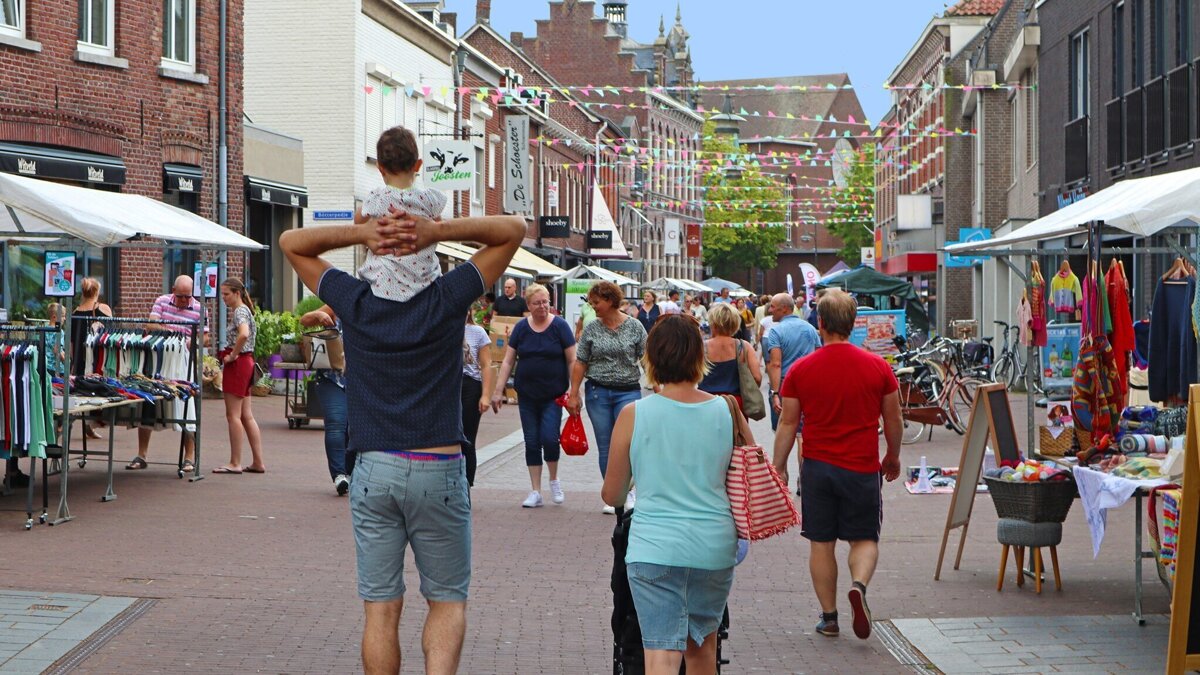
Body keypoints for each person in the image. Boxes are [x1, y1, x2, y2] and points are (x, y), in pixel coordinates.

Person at [281, 205, 525, 675]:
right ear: (428, 254)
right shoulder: (448, 296)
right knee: (447, 602)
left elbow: (291, 242)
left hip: (374, 465)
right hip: (439, 462)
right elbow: (512, 230)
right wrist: (436, 230)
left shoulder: (354, 299)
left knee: (380, 609)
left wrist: (361, 233)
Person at [601, 314, 738, 675]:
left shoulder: (634, 414)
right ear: (698, 356)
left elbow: (613, 493)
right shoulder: (726, 410)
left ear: (651, 358)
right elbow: (745, 475)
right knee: (702, 649)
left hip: (654, 547)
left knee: (660, 654)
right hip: (713, 545)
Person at [772, 289, 902, 641]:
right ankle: (858, 585)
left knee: (821, 543)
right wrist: (892, 455)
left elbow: (787, 423)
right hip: (861, 468)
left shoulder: (800, 370)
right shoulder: (878, 368)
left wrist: (779, 465)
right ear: (854, 323)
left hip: (817, 467)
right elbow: (893, 420)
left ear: (821, 323)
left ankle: (829, 617)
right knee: (864, 538)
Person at [492, 283, 575, 508]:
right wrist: (498, 391)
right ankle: (535, 490)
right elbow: (508, 360)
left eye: (546, 302)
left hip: (553, 394)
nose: (542, 306)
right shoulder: (521, 328)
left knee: (549, 437)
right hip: (527, 394)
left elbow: (572, 360)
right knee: (531, 441)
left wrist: (574, 391)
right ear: (528, 305)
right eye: (537, 303)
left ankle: (554, 479)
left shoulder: (560, 327)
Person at [568, 281, 647, 513]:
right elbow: (580, 361)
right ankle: (613, 494)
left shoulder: (635, 327)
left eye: (597, 302)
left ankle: (629, 492)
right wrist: (573, 394)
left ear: (611, 300)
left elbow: (646, 359)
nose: (593, 307)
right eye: (591, 303)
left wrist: (660, 388)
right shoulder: (592, 328)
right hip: (598, 391)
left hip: (628, 391)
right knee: (606, 445)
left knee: (628, 444)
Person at [353, 126, 447, 302]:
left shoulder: (378, 198)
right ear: (418, 165)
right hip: (425, 283)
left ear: (380, 168)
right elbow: (439, 228)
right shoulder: (429, 199)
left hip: (382, 285)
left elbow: (358, 221)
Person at [126, 275, 204, 472]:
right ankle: (141, 454)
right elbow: (150, 325)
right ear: (172, 290)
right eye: (181, 297)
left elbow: (206, 337)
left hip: (184, 361)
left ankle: (189, 457)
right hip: (158, 357)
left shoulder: (199, 309)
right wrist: (172, 334)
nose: (185, 301)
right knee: (149, 402)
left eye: (188, 297)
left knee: (187, 405)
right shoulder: (162, 301)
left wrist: (191, 342)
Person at [212, 278, 265, 474]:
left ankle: (235, 462)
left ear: (237, 293)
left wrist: (232, 355)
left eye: (226, 294)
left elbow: (243, 334)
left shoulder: (239, 312)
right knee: (246, 415)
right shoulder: (246, 310)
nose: (223, 298)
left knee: (232, 415)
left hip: (238, 363)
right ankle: (258, 461)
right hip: (248, 363)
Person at [299, 304, 353, 495]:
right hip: (332, 377)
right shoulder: (336, 304)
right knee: (336, 424)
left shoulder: (373, 306)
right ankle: (339, 475)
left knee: (354, 428)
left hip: (361, 380)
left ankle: (351, 472)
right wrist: (319, 314)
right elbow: (304, 321)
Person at [764, 293, 821, 431]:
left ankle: (780, 454)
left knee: (784, 427)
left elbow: (776, 364)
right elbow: (819, 356)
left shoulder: (775, 331)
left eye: (773, 307)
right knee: (803, 430)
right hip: (808, 382)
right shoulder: (810, 328)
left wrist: (775, 393)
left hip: (785, 383)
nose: (770, 310)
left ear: (784, 309)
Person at [699, 303, 762, 413]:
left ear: (713, 323)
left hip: (706, 402)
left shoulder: (701, 347)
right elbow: (757, 377)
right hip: (735, 404)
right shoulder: (744, 346)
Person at [462, 307, 494, 487]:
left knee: (467, 438)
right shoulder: (443, 327)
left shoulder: (477, 332)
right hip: (448, 385)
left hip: (470, 386)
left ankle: (467, 484)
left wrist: (486, 395)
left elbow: (486, 365)